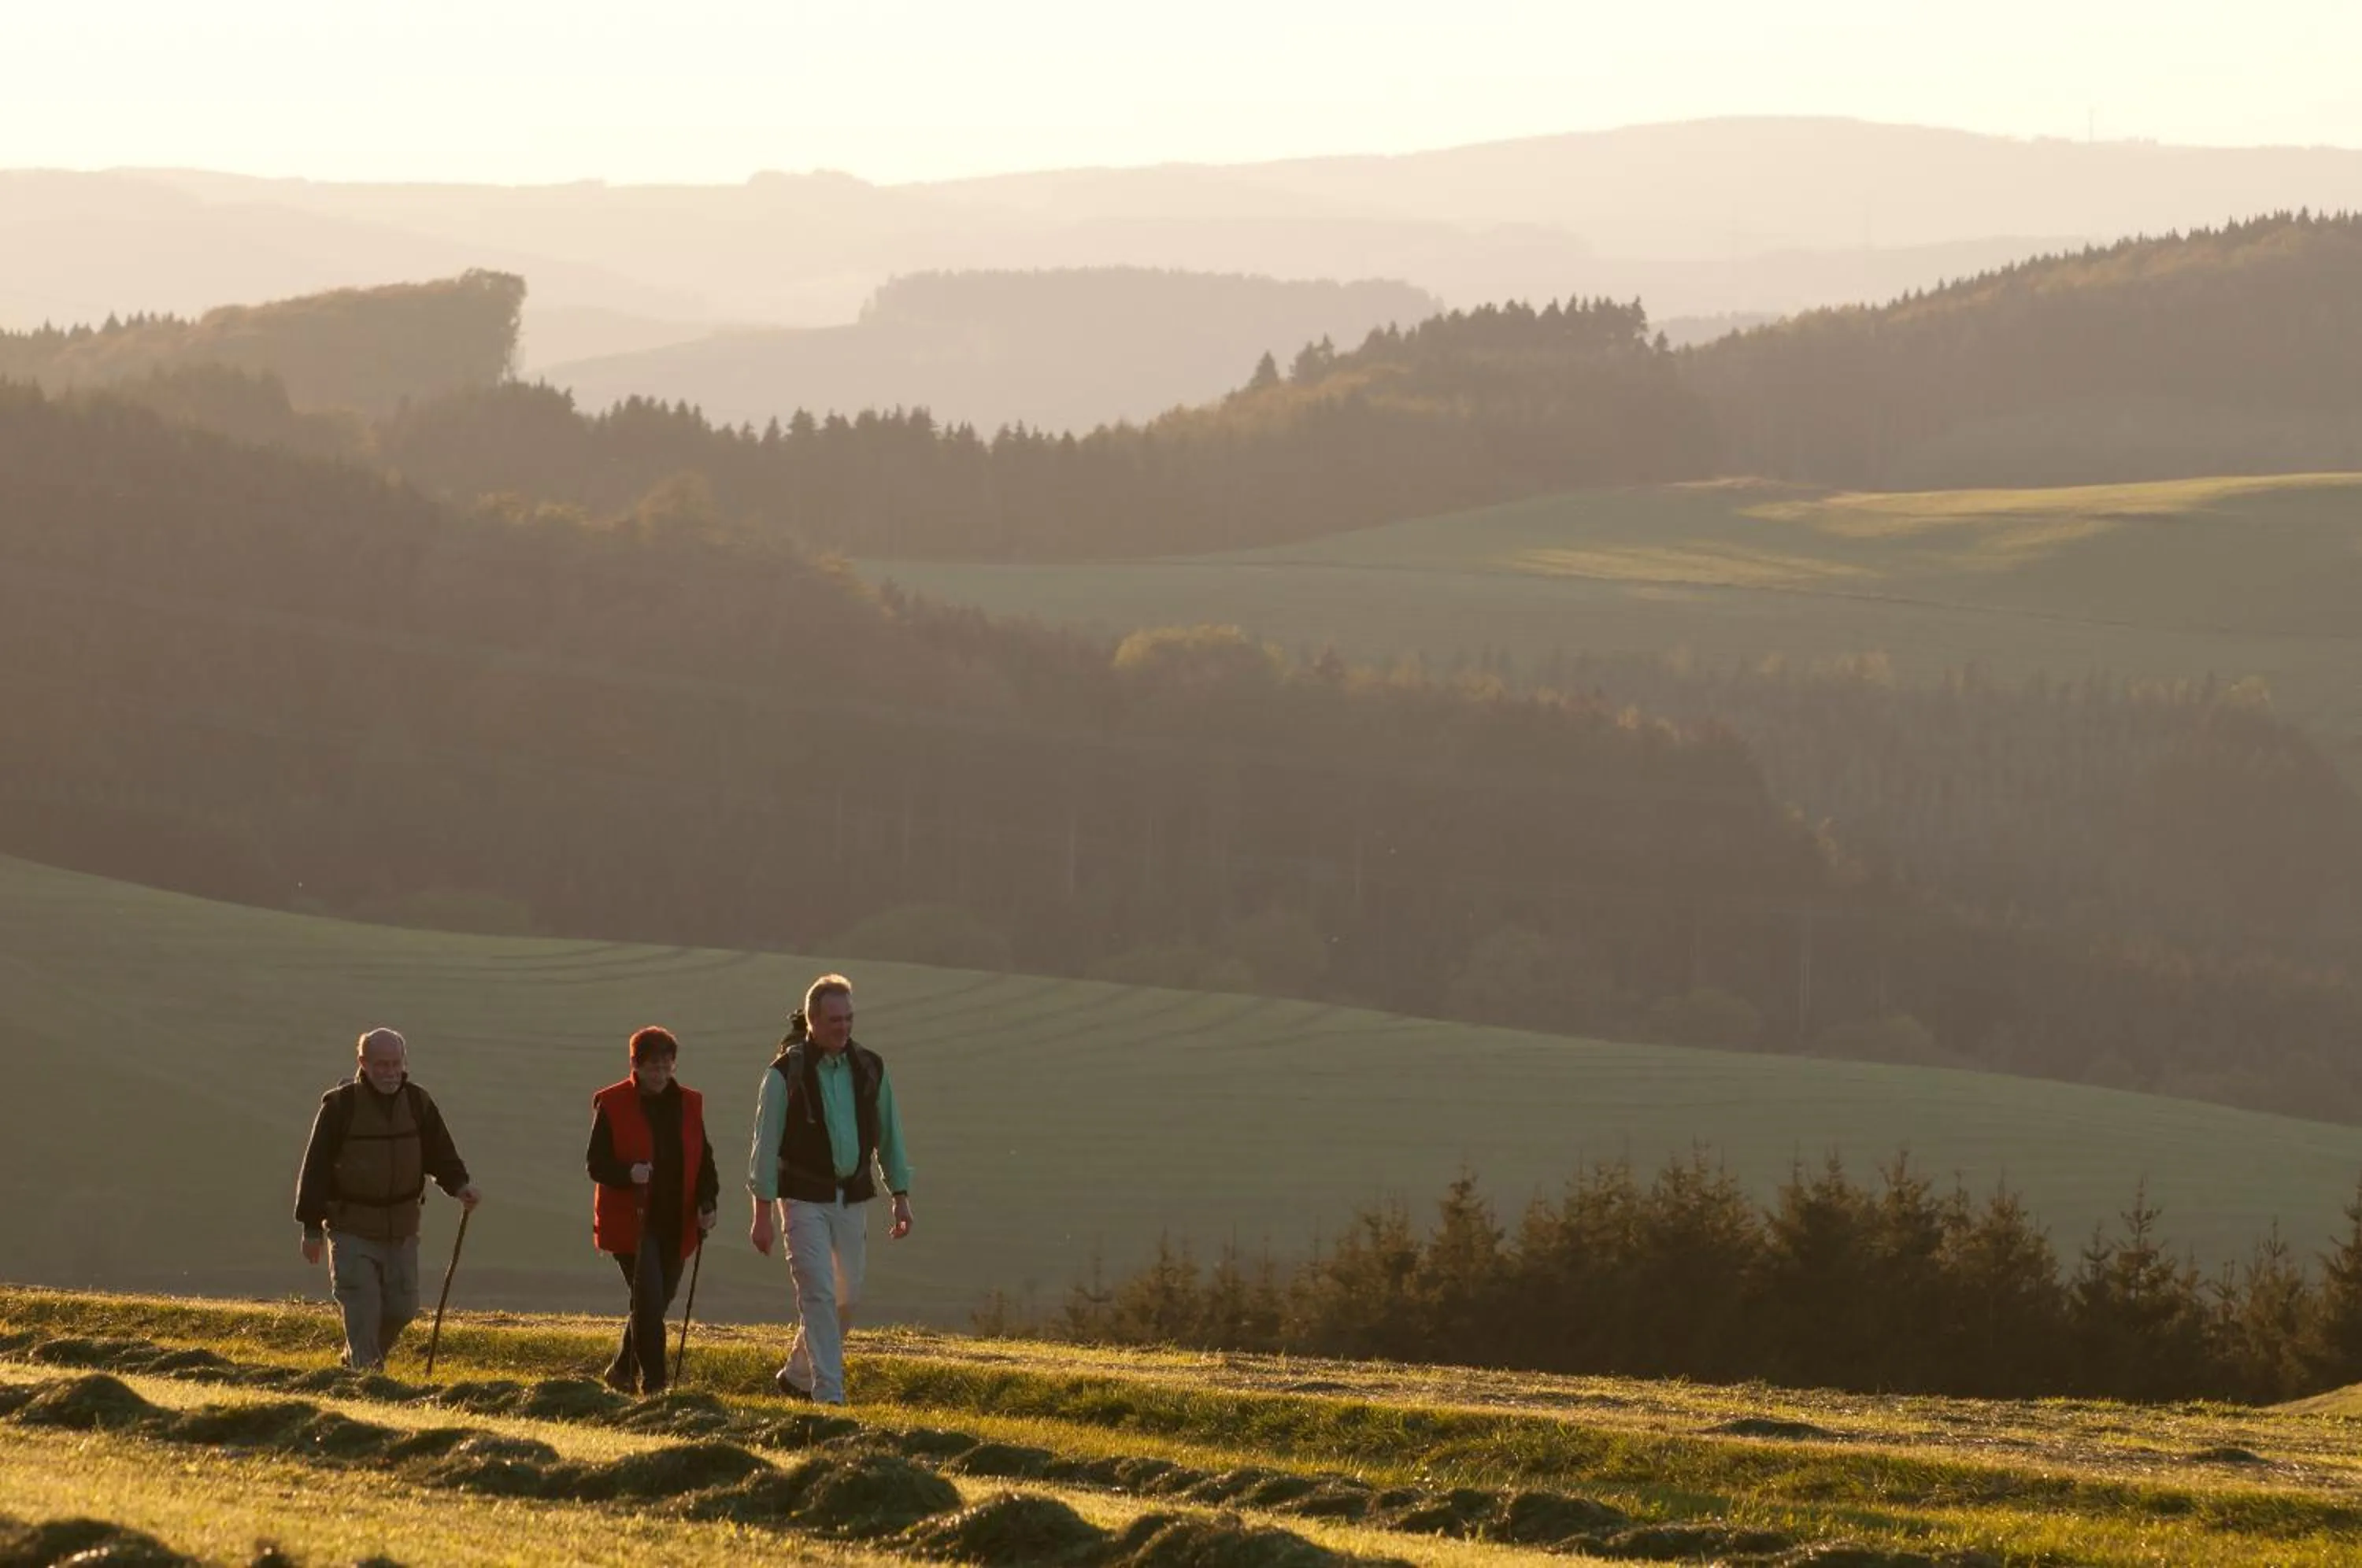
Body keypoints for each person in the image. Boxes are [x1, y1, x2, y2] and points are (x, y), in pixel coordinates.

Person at [746, 973, 913, 1405]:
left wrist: (901, 1195)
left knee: (846, 1297)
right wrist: (761, 1213)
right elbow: (765, 1147)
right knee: (818, 1291)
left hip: (851, 1197)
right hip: (801, 1198)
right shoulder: (784, 1074)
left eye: (849, 1018)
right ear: (812, 1021)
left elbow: (890, 1134)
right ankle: (829, 1395)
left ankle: (798, 1374)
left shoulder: (870, 1068)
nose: (843, 1027)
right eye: (835, 1019)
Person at [294, 1027, 482, 1370]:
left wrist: (460, 1186)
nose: (390, 1072)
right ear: (363, 1063)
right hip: (351, 1227)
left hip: (403, 1228)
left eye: (396, 1064)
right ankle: (366, 1373)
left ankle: (360, 1359)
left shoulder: (418, 1102)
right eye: (381, 1064)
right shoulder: (340, 1107)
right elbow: (316, 1168)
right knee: (362, 1305)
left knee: (402, 1308)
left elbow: (440, 1153)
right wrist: (311, 1228)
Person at [587, 1026, 719, 1395]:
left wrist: (708, 1203)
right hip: (632, 1225)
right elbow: (595, 1164)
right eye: (652, 1067)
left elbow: (704, 1161)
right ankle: (656, 1385)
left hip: (677, 1222)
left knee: (655, 1302)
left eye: (666, 1067)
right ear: (635, 1065)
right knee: (648, 1303)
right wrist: (629, 1174)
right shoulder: (612, 1103)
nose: (660, 1075)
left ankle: (621, 1371)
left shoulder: (690, 1104)